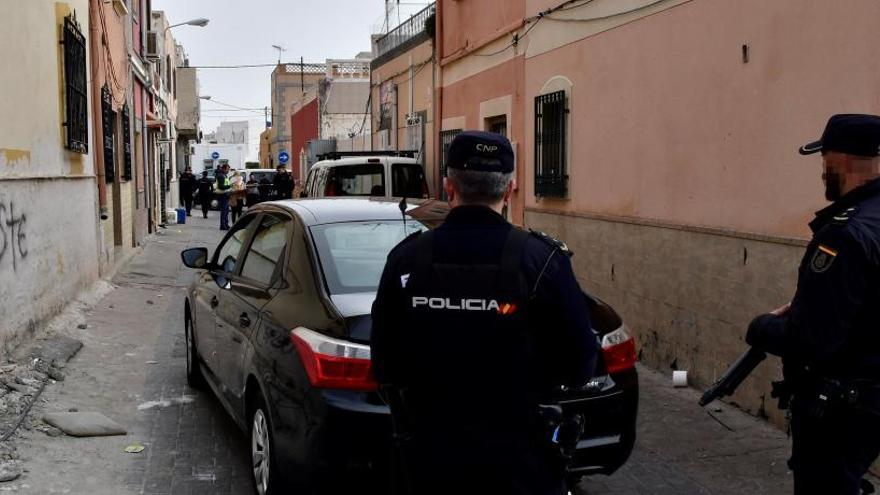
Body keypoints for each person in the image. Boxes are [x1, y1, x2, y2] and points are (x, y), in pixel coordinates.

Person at [370, 131, 598, 495]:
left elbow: (383, 364)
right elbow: (581, 364)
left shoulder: (406, 259)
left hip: (429, 463)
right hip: (521, 467)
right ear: (509, 191)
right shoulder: (542, 261)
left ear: (448, 187)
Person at [746, 114, 880, 495]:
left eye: (824, 163)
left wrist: (762, 326)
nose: (822, 173)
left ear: (839, 160)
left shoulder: (844, 234)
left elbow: (812, 339)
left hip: (842, 405)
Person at [214, 164, 232, 230]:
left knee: (226, 211)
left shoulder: (224, 175)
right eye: (227, 169)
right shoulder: (221, 176)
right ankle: (223, 225)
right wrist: (230, 186)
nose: (228, 171)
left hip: (226, 195)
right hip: (223, 195)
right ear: (223, 169)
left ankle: (226, 224)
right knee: (224, 211)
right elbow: (221, 187)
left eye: (228, 169)